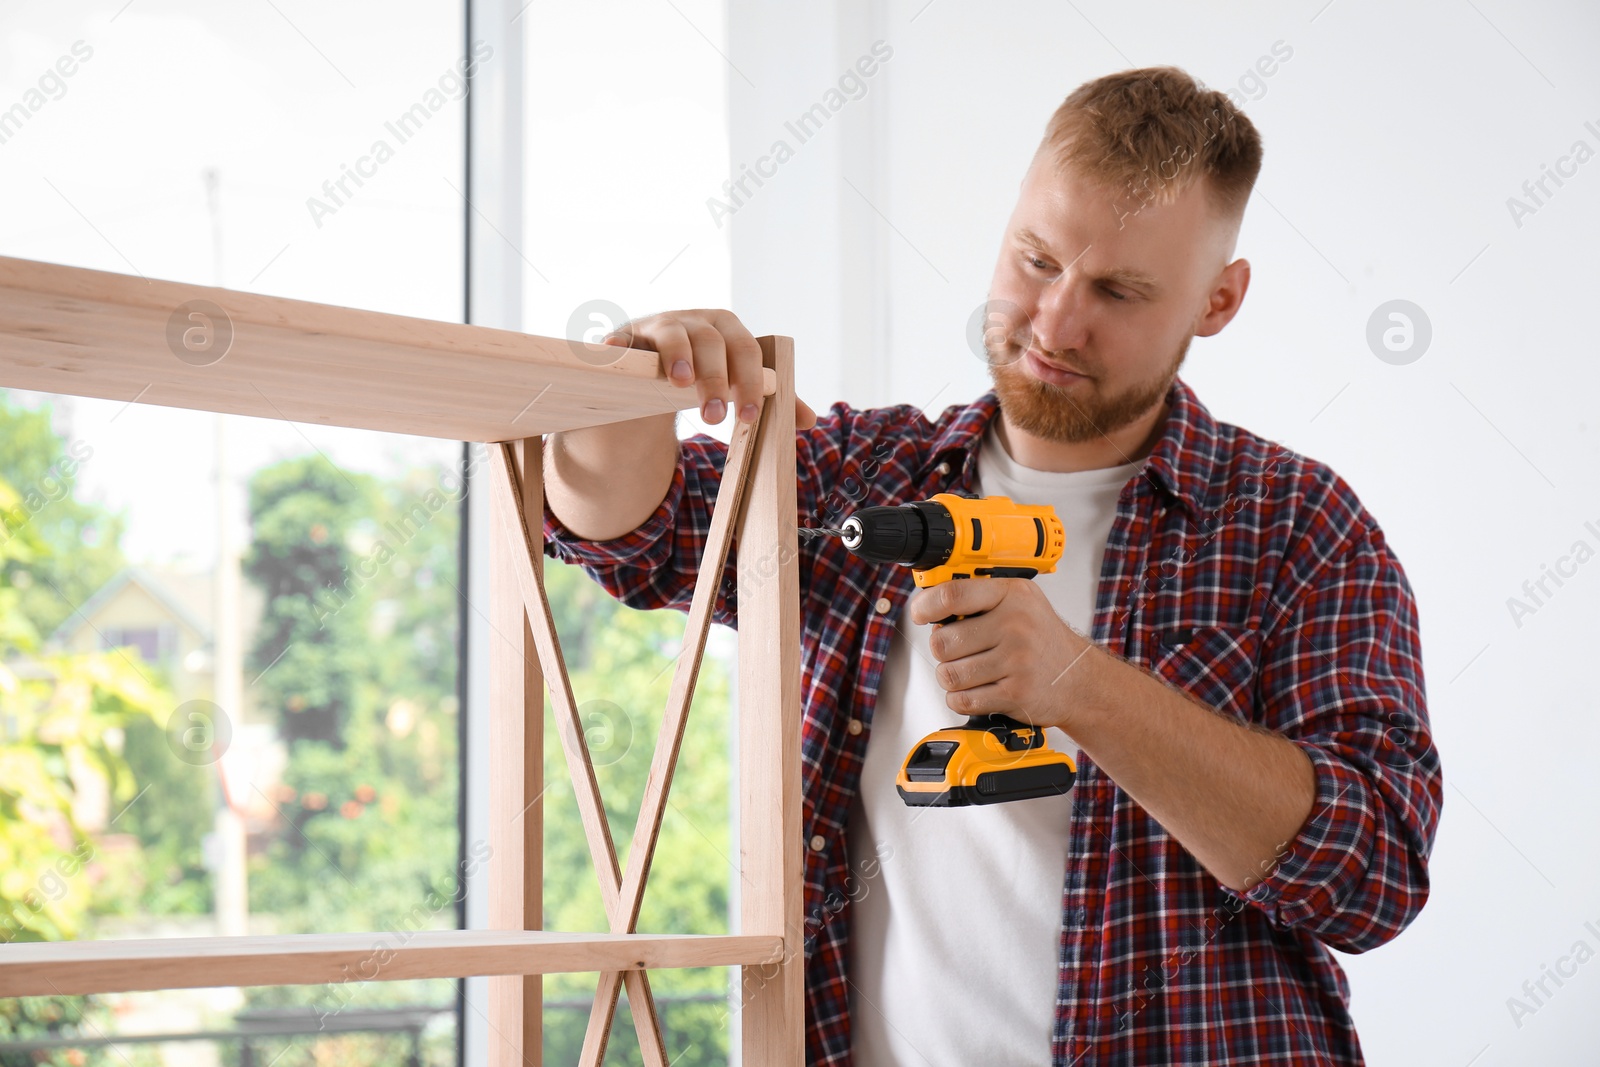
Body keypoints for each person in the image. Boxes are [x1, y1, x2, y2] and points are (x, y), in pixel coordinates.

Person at [540, 64, 1442, 1067]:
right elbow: (625, 529)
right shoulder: (861, 477)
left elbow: (1372, 875)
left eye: (1118, 290)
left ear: (1217, 300)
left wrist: (1080, 686)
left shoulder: (1297, 528)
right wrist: (639, 378)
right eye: (1037, 259)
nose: (1057, 322)